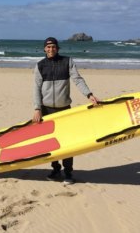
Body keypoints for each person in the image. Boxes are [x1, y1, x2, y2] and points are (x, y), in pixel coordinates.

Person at [32, 37, 99, 184]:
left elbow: (77, 79)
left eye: (54, 47)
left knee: (67, 142)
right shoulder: (40, 66)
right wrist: (37, 108)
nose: (51, 49)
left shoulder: (67, 62)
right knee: (51, 143)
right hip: (47, 110)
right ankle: (56, 169)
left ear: (58, 48)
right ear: (44, 49)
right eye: (48, 47)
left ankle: (68, 173)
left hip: (64, 110)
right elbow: (36, 89)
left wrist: (89, 94)